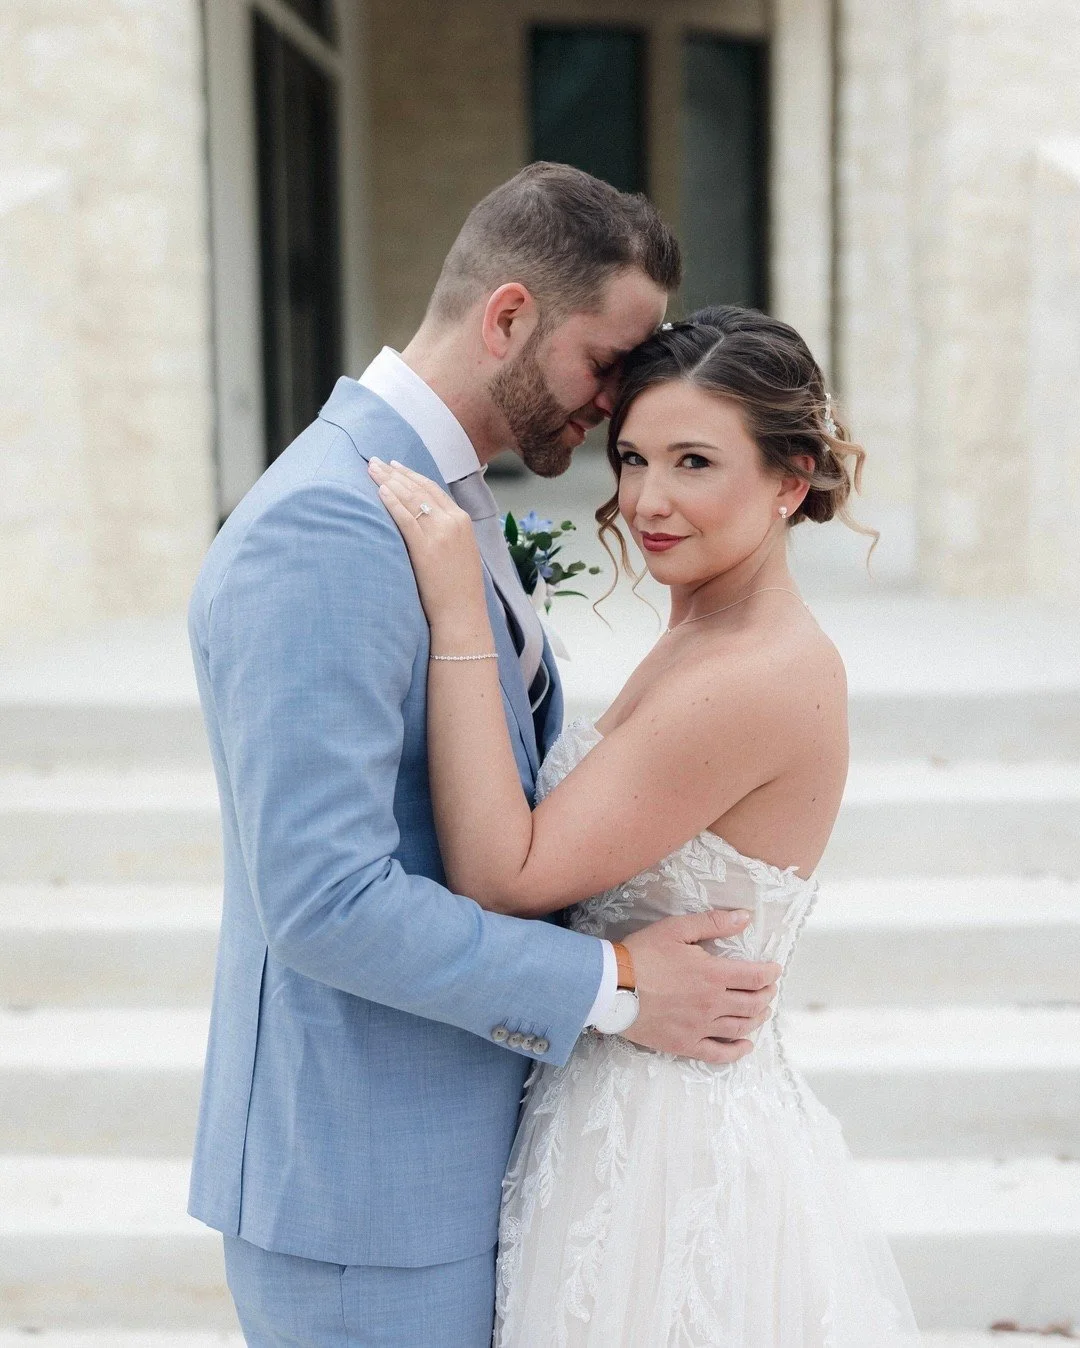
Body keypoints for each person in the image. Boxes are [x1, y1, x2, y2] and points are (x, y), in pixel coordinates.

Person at [186, 165, 784, 1347]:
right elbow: (324, 901)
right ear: (509, 316)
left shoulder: (439, 502)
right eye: (606, 363)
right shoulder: (327, 526)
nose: (617, 407)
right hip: (364, 1195)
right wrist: (613, 989)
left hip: (461, 1161)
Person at [370, 305, 922, 1346]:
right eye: (631, 457)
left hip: (670, 1161)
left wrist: (455, 611)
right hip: (616, 1113)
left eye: (695, 462)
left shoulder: (752, 678)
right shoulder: (705, 633)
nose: (647, 500)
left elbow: (503, 873)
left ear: (790, 479)